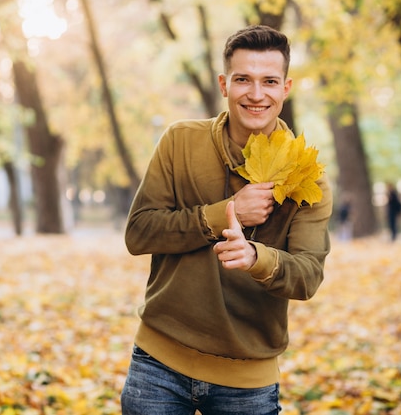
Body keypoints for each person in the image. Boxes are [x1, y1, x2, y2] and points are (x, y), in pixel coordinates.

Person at [121, 25, 333, 414]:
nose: (256, 94)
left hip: (247, 382)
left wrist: (256, 258)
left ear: (286, 88)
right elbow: (139, 233)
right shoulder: (179, 142)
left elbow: (307, 276)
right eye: (243, 80)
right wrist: (223, 213)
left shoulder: (306, 175)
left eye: (269, 81)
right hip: (158, 366)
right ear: (224, 84)